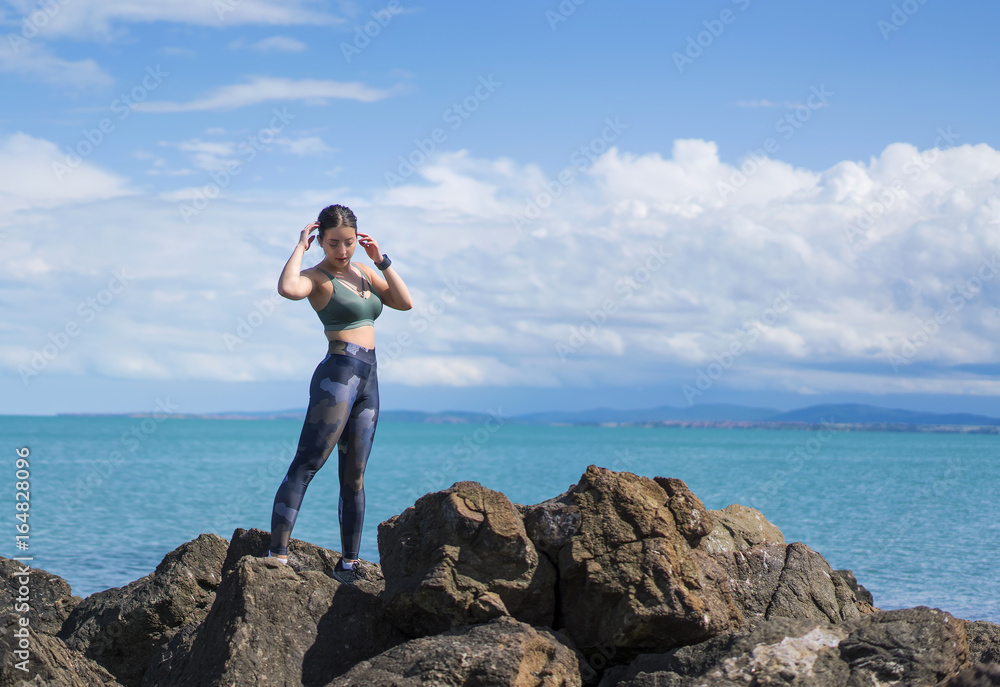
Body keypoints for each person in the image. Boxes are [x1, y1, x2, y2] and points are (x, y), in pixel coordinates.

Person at [267, 204, 413, 584]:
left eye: (348, 243)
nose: (342, 250)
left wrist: (381, 260)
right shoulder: (316, 277)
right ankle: (277, 556)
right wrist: (300, 246)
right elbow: (287, 288)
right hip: (339, 373)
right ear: (321, 241)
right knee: (307, 463)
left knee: (355, 476)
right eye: (334, 243)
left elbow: (404, 301)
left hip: (369, 379)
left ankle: (349, 563)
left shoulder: (364, 272)